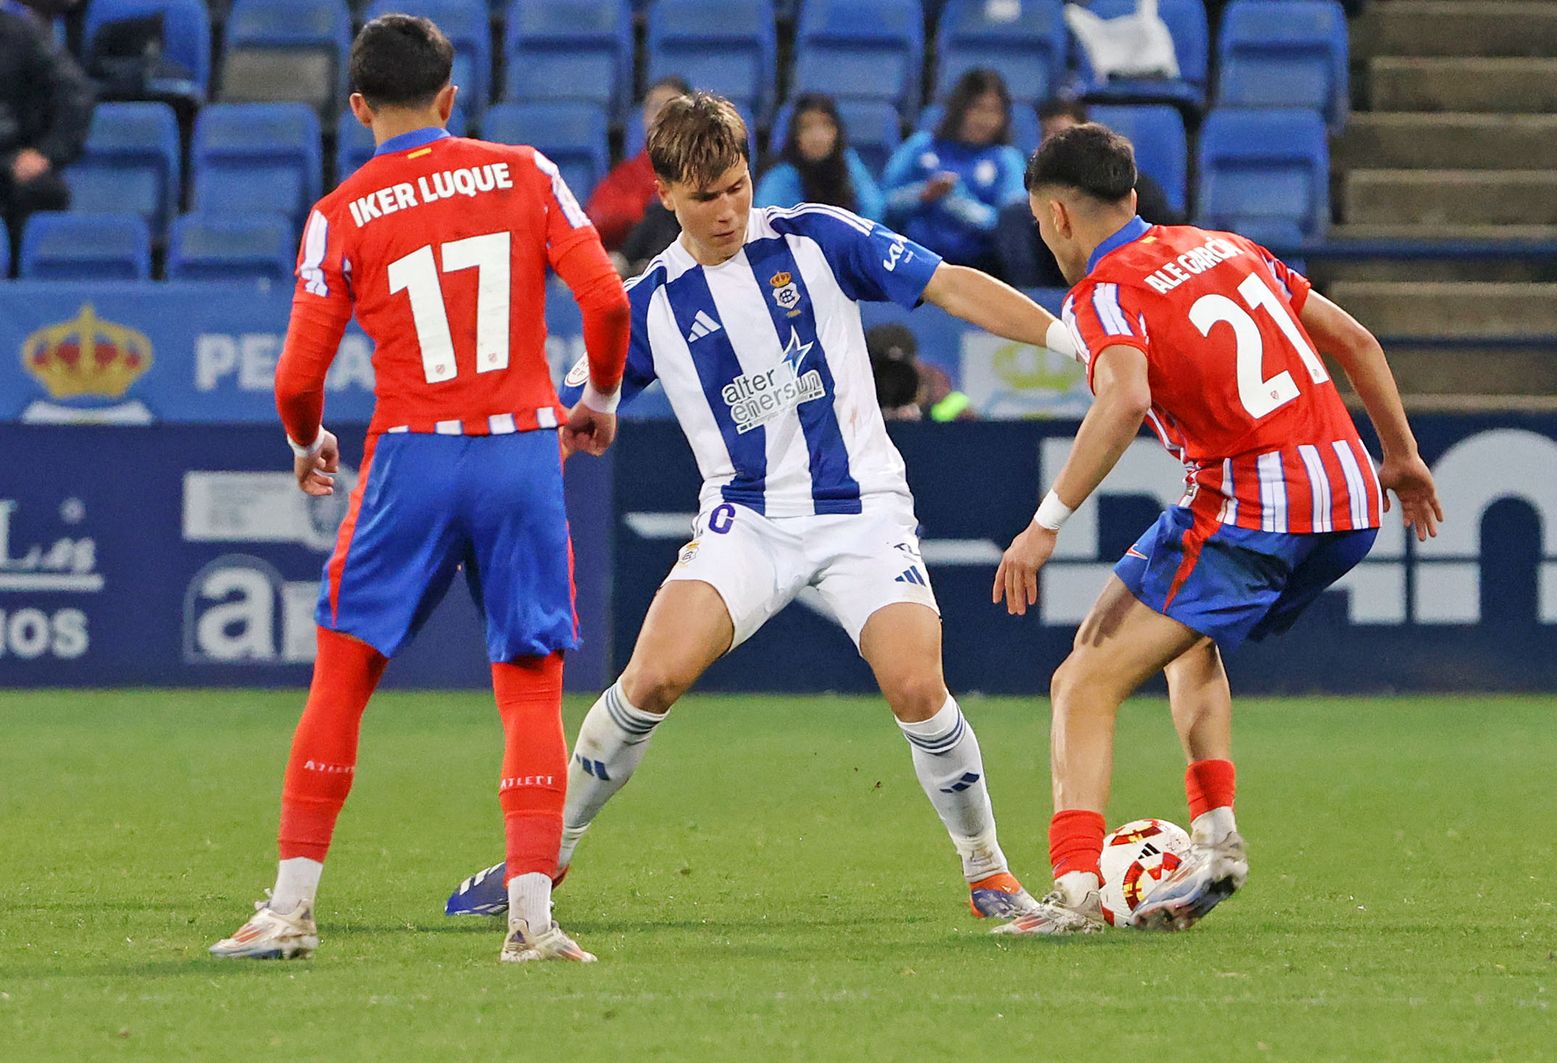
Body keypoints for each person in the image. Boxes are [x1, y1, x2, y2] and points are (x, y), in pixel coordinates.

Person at [444, 92, 1092, 923]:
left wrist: (1067, 339)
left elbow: (949, 283)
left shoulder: (817, 236)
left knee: (916, 684)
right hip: (744, 519)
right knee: (650, 679)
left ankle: (988, 869)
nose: (728, 209)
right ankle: (540, 858)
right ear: (665, 193)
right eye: (706, 195)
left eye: (738, 186)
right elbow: (573, 410)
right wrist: (535, 451)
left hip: (861, 509)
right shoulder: (646, 306)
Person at [207, 15, 630, 965]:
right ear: (451, 98)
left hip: (415, 456)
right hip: (523, 450)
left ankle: (291, 907)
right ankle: (531, 920)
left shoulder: (342, 210)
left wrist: (306, 438)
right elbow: (605, 300)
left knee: (345, 672)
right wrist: (597, 396)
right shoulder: (525, 171)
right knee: (530, 689)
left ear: (357, 107)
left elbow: (296, 375)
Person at [990, 124, 1443, 935]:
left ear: (1057, 217)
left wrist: (1043, 524)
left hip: (1251, 507)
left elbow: (1123, 399)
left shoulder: (1103, 291)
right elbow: (1357, 341)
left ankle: (1075, 893)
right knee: (1187, 636)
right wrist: (1402, 457)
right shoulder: (1224, 246)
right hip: (1347, 500)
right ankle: (1217, 838)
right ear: (1130, 196)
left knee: (1082, 680)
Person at [997, 97, 1181, 288]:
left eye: (1062, 134)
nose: (1053, 144)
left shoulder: (1131, 186)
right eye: (1046, 135)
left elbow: (1166, 242)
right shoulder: (1036, 202)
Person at [880, 68, 1025, 274]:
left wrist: (958, 203)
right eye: (977, 108)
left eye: (994, 111)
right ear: (959, 108)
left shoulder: (1007, 159)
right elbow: (883, 204)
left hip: (982, 271)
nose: (984, 120)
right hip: (913, 266)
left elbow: (1012, 225)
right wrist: (923, 194)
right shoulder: (920, 145)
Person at [0, 4, 93, 261]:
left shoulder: (20, 35)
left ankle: (25, 286)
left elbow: (76, 95)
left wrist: (46, 153)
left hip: (11, 164)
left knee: (42, 191)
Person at [587, 75, 690, 252]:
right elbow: (597, 219)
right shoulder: (626, 174)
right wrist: (642, 205)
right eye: (655, 108)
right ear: (644, 118)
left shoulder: (706, 171)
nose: (661, 116)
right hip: (631, 261)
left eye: (672, 108)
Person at [755, 93, 884, 222]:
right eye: (807, 127)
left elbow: (873, 208)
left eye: (826, 125)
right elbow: (767, 221)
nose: (817, 136)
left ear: (837, 131)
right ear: (795, 136)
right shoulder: (781, 175)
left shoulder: (848, 162)